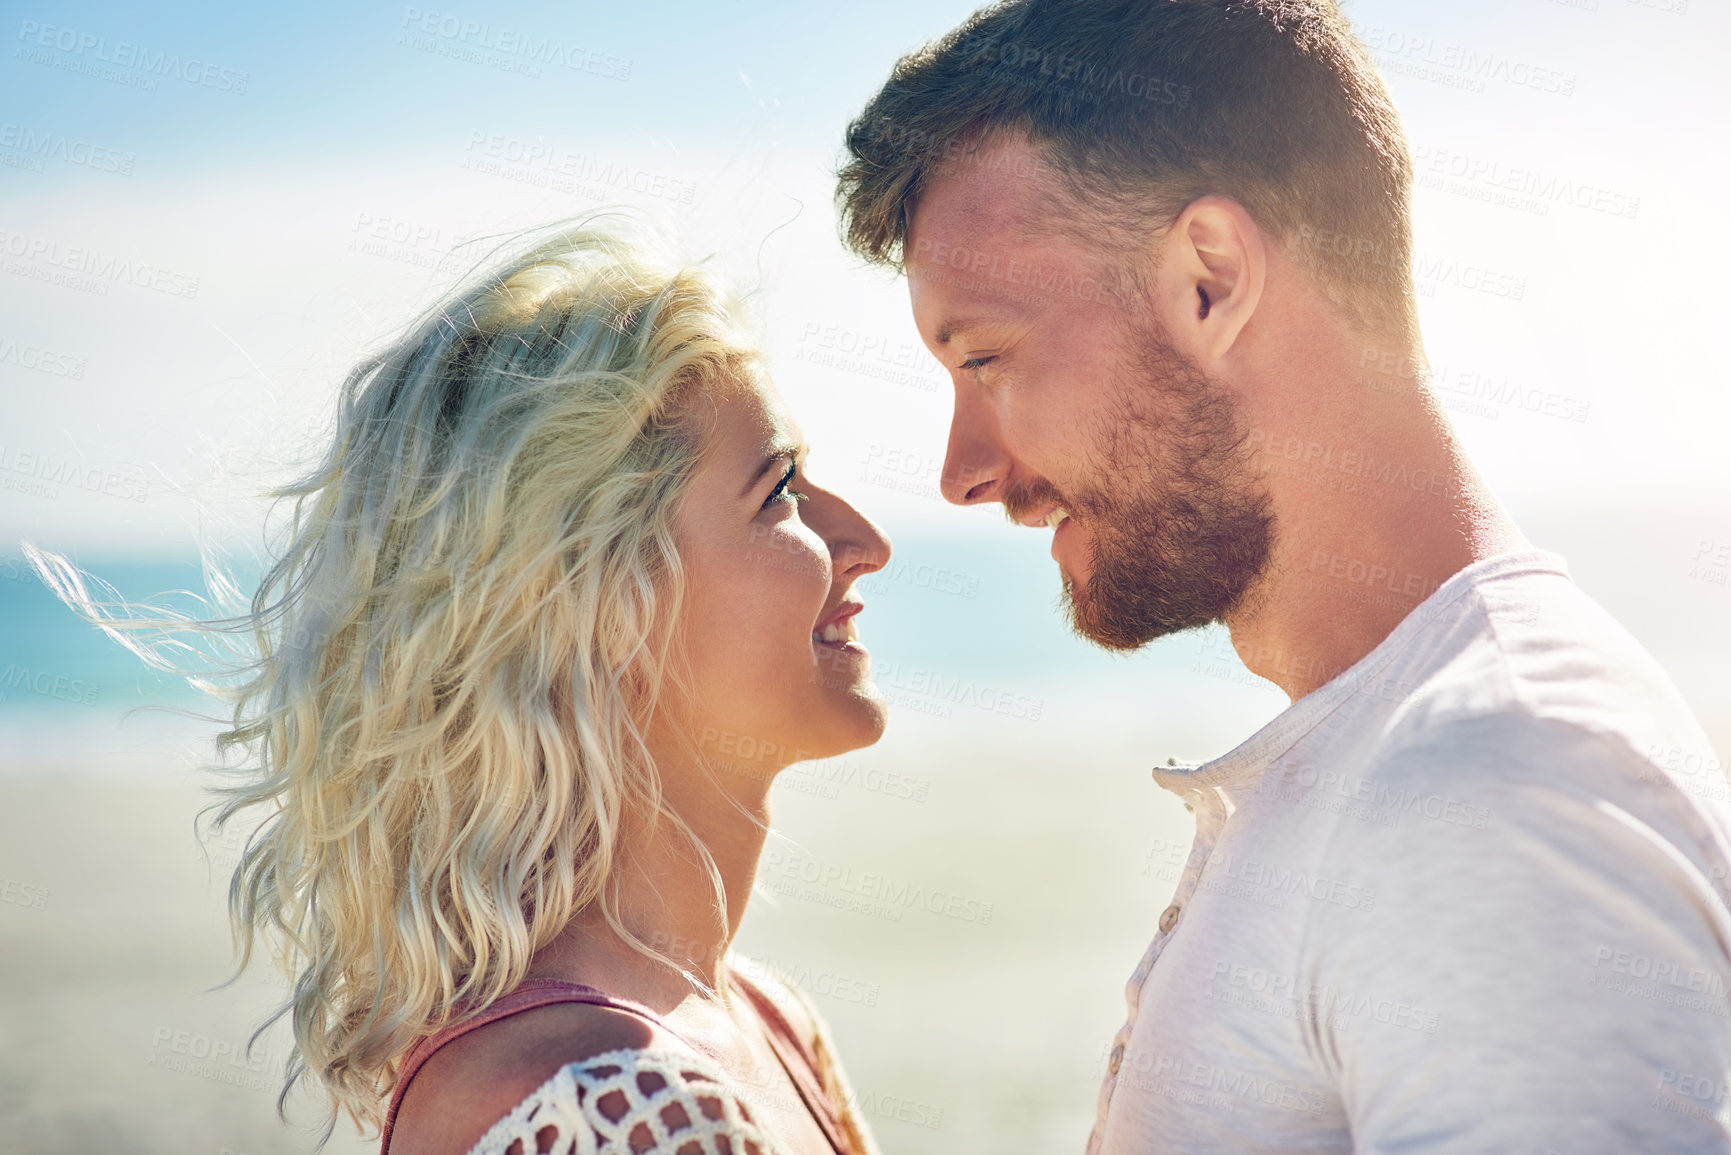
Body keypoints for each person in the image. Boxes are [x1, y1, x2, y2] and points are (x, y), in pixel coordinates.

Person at [835, 1, 1731, 1151]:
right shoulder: (1400, 742)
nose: (963, 472)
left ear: (1209, 280)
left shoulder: (1495, 774)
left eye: (988, 359)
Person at [29, 223, 891, 1155]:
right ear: (594, 604)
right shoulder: (618, 1103)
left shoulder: (765, 1021)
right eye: (779, 490)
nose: (865, 539)